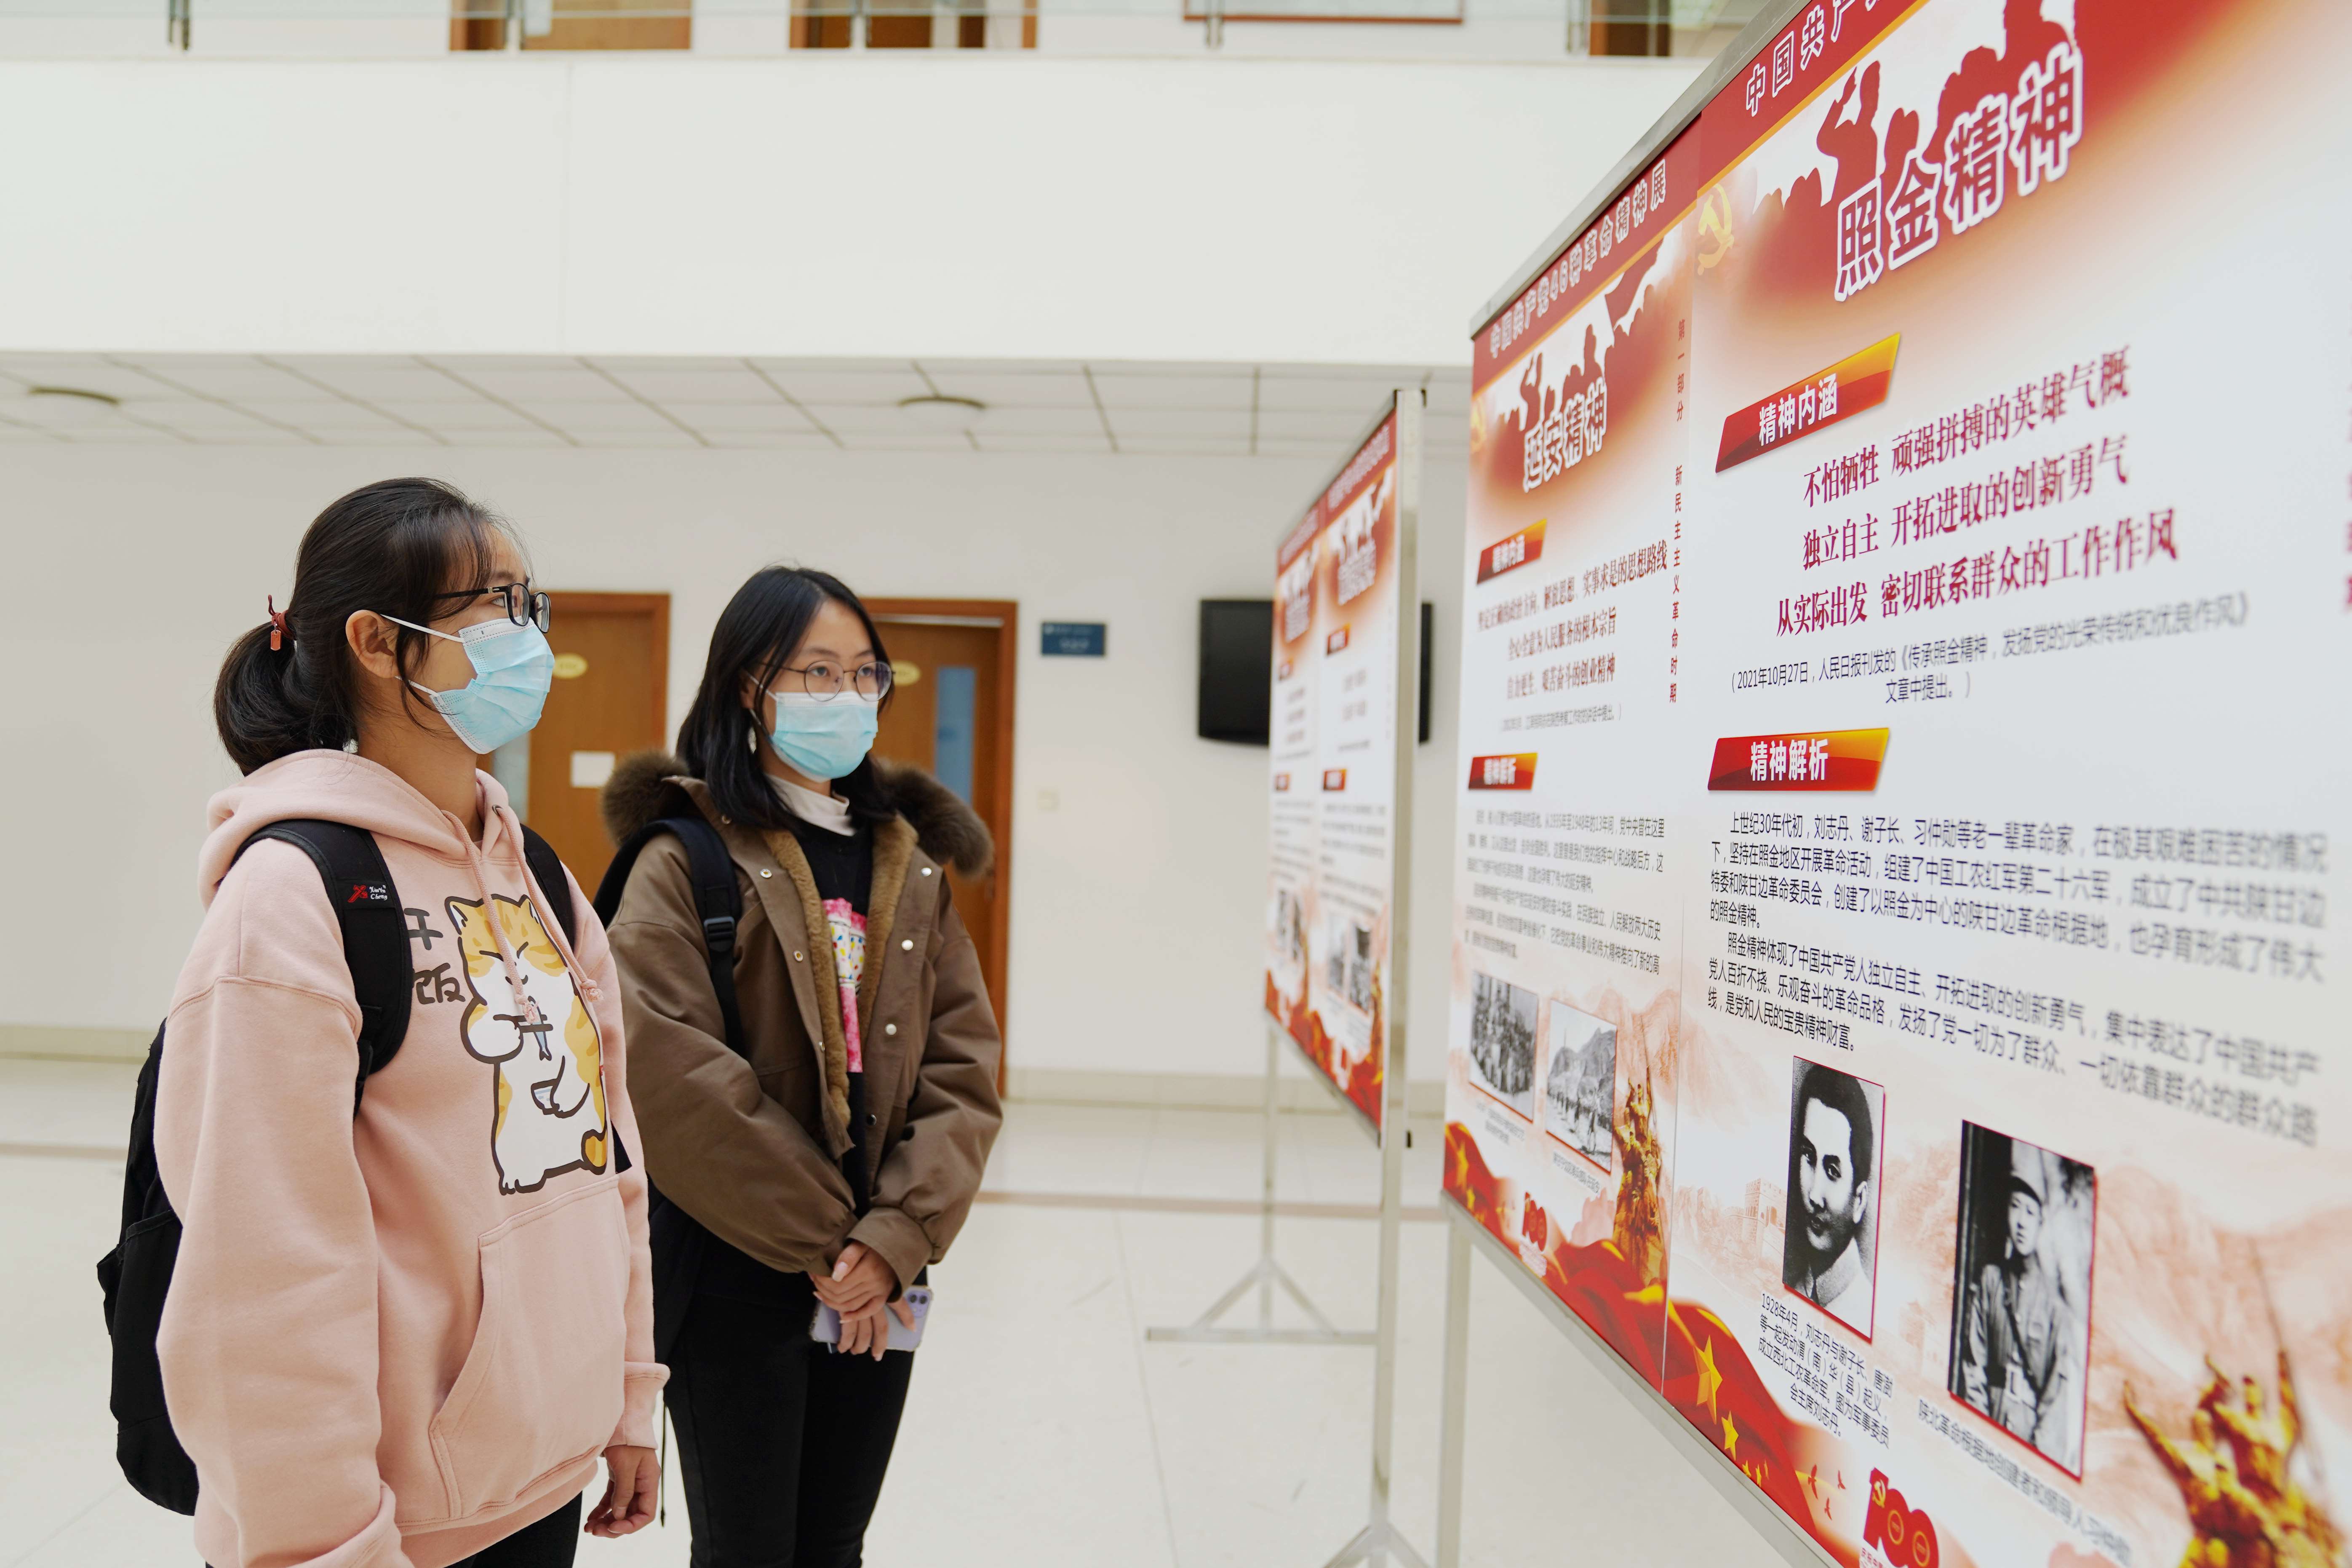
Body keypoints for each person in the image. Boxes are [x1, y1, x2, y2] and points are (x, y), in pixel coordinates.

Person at [164, 478, 662, 1568]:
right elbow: (262, 1269)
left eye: (530, 602)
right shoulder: (293, 894)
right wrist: (328, 1545)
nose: (526, 635)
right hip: (390, 1526)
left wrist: (627, 1390)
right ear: (376, 641)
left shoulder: (538, 873)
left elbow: (609, 1157)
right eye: (493, 604)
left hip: (542, 1473)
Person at [599, 565, 1002, 1568]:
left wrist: (891, 1239)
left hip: (881, 1268)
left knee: (832, 1542)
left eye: (865, 672)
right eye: (816, 671)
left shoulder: (907, 864)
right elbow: (669, 1074)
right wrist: (835, 1245)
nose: (846, 694)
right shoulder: (681, 857)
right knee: (746, 1547)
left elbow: (962, 1069)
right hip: (736, 1265)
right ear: (750, 685)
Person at [1960, 1143, 2076, 1466]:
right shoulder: (1991, 1281)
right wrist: (1977, 1435)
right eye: (2015, 1207)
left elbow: (2056, 1396)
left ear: (2042, 1221)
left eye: (2030, 1211)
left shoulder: (2056, 1303)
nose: (2021, 1222)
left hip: (2030, 1438)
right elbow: (1974, 1364)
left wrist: (2033, 1456)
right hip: (1989, 1421)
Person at [1782, 1062, 1874, 1334]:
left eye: (1833, 1171)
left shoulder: (1863, 1314)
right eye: (1809, 1157)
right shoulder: (1792, 1290)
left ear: (1859, 1200)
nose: (1814, 1195)